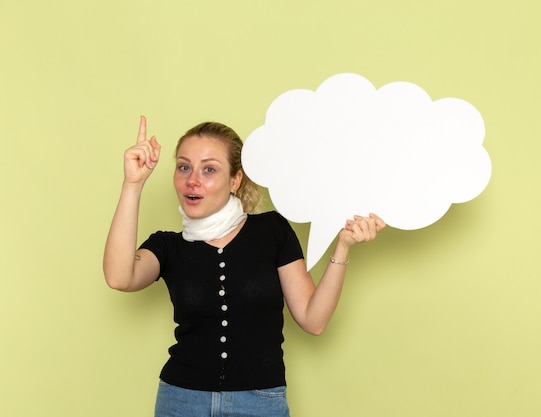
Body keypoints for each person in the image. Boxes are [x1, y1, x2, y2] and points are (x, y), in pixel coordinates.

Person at [103, 116, 385, 417]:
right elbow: (119, 277)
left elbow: (313, 320)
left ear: (235, 180)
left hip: (260, 402)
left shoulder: (272, 231)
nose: (192, 179)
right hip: (180, 401)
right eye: (184, 167)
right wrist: (133, 184)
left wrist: (343, 246)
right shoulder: (168, 246)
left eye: (209, 169)